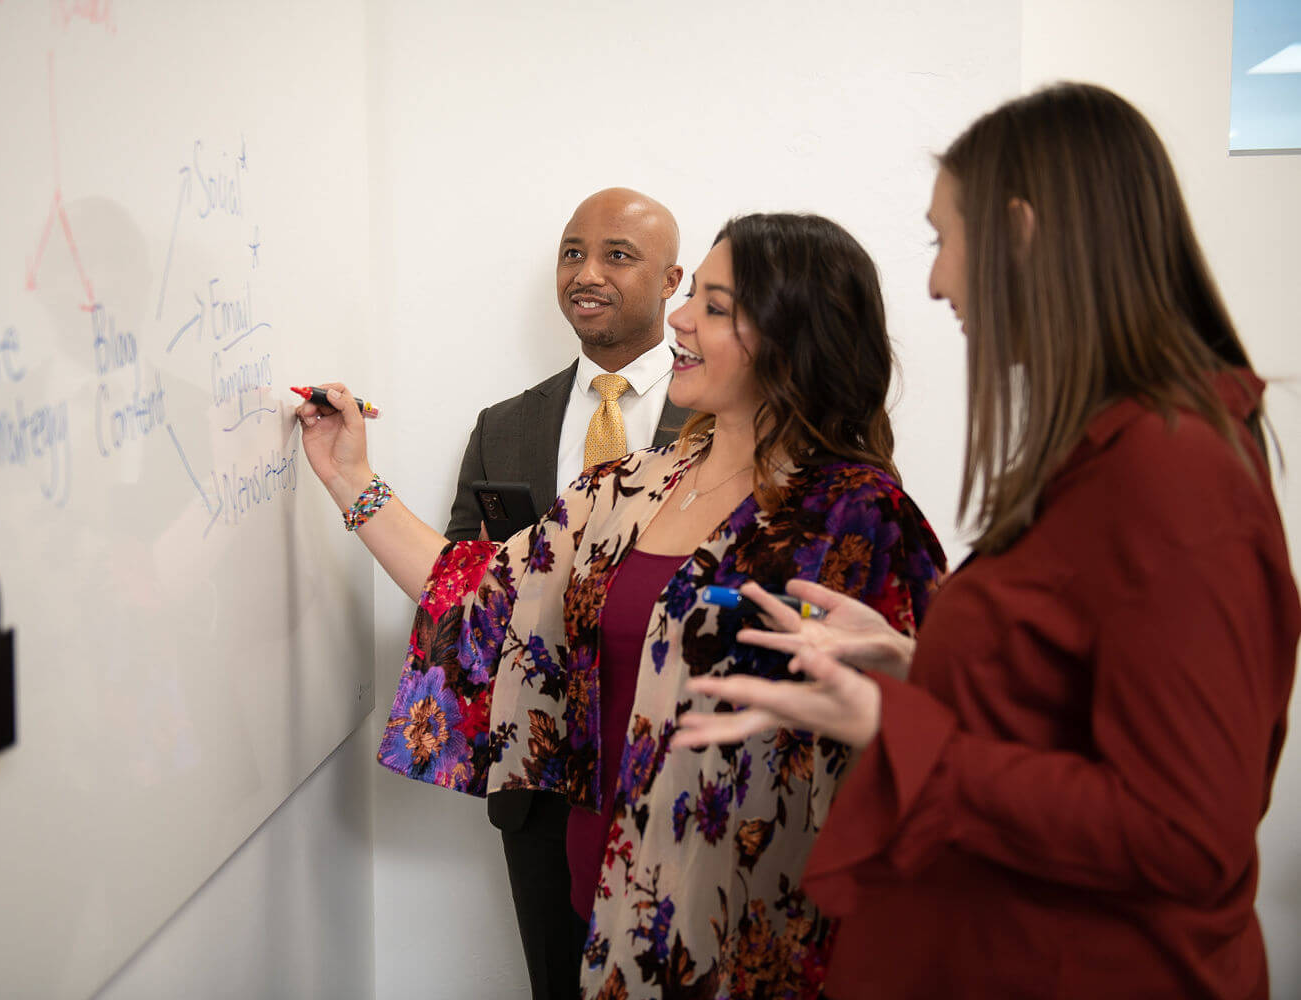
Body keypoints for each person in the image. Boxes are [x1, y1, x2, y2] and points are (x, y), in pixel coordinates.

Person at [675, 83, 1301, 999]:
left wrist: (897, 724)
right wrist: (908, 666)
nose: (934, 281)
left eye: (942, 240)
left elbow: (1186, 834)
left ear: (1019, 231)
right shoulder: (1106, 452)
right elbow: (1066, 703)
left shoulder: (1177, 471)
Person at [297, 212, 946, 998]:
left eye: (712, 304)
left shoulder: (852, 515)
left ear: (789, 336)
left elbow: (908, 750)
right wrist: (348, 480)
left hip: (746, 933)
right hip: (596, 896)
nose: (678, 319)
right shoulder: (632, 485)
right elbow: (479, 587)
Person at [443, 187, 692, 1000]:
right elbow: (457, 590)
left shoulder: (722, 420)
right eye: (572, 253)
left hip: (677, 771)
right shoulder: (504, 426)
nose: (587, 273)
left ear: (671, 281)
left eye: (618, 255)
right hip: (540, 782)